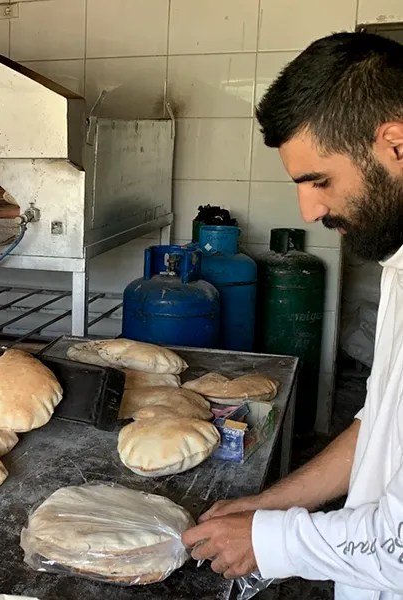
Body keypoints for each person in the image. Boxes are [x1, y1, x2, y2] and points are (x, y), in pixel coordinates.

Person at [181, 31, 403, 599]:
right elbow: (379, 423)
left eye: (319, 180)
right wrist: (271, 502)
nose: (309, 208)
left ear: (396, 144)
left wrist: (269, 541)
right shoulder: (397, 257)